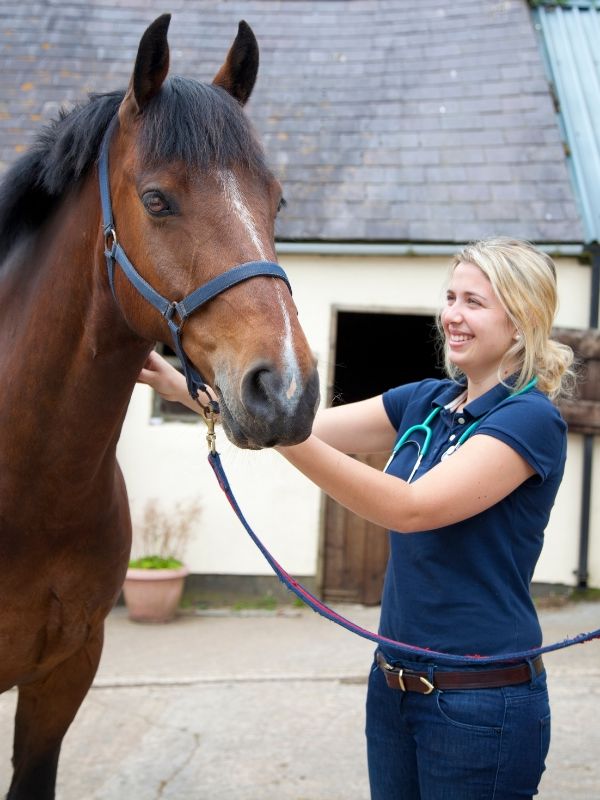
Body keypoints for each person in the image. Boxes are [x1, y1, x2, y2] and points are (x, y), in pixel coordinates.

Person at [139, 237, 575, 800]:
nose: (453, 315)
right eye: (450, 297)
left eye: (474, 301)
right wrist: (193, 393)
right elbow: (312, 428)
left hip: (480, 702)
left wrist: (275, 428)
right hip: (393, 686)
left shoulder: (530, 419)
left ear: (520, 323)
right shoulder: (427, 401)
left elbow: (410, 508)